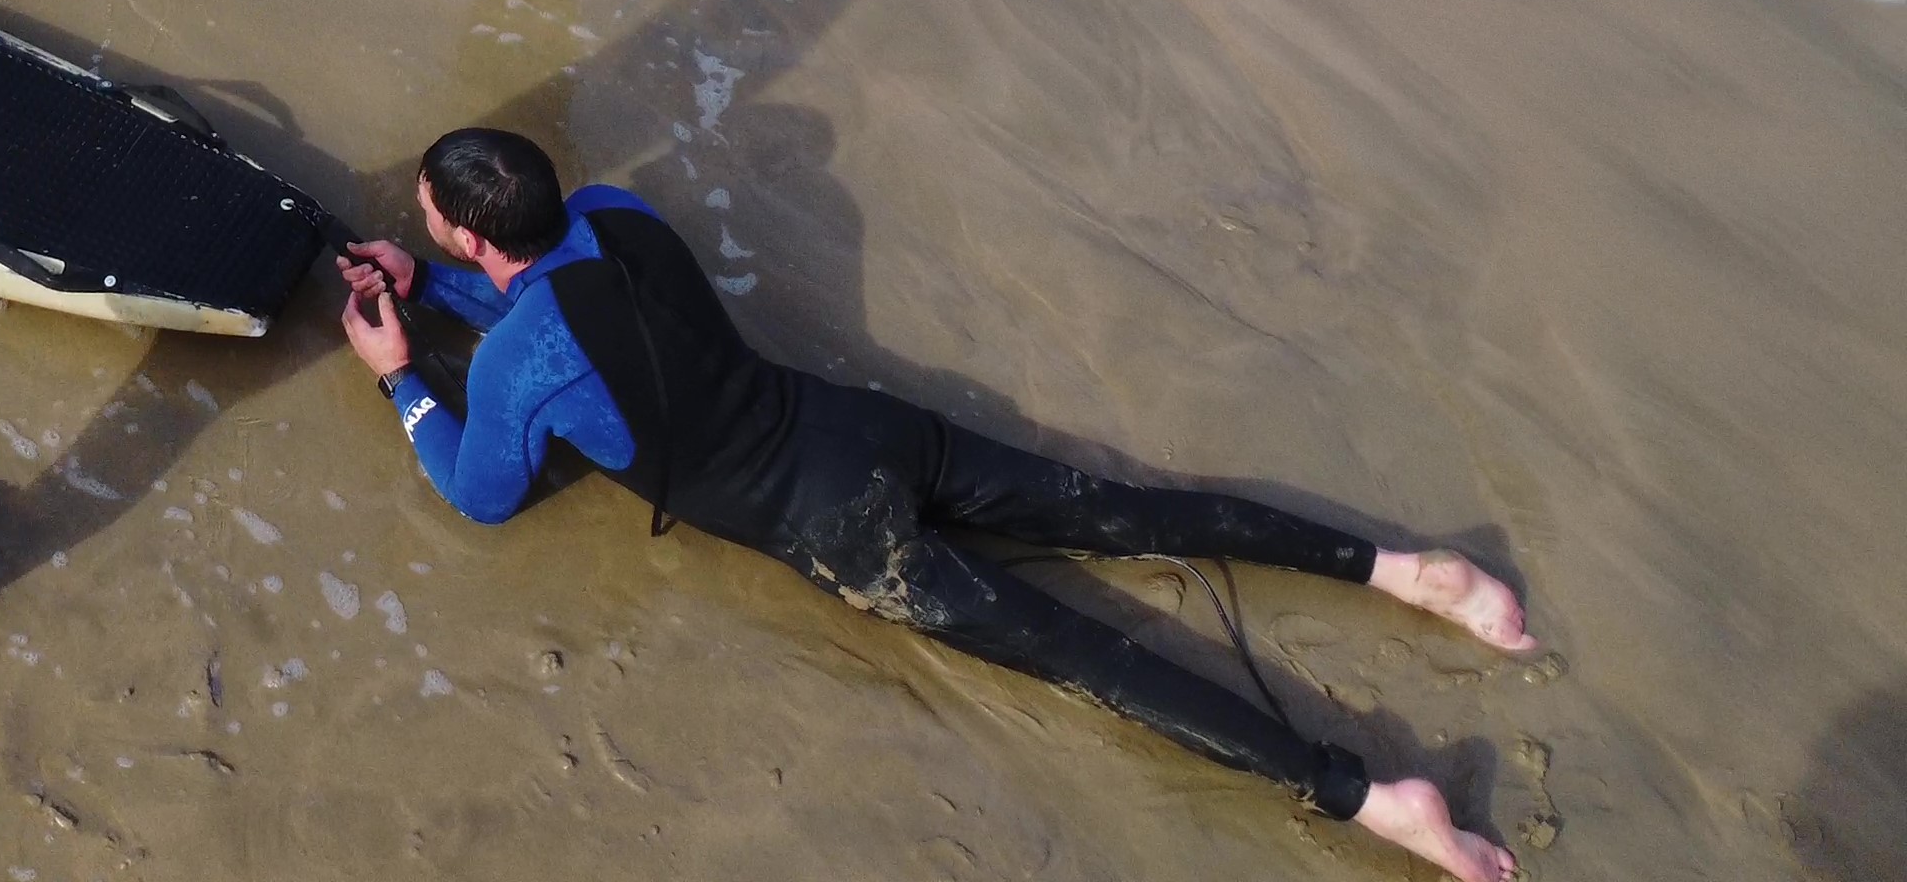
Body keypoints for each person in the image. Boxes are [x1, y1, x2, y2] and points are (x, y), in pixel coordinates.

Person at [335, 128, 1537, 882]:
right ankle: (1407, 572)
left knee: (1095, 659)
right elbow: (576, 316)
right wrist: (437, 284)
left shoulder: (514, 367)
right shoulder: (615, 214)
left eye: (432, 220)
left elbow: (482, 491)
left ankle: (1375, 798)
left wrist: (401, 379)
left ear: (465, 228)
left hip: (841, 533)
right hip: (866, 430)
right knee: (1133, 510)